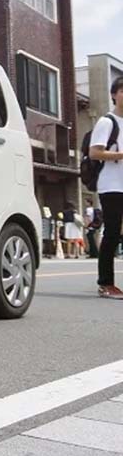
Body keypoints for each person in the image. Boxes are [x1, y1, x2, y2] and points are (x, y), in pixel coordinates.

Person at [88, 76, 123, 298]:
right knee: (111, 233)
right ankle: (105, 283)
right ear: (114, 94)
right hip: (111, 186)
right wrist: (121, 155)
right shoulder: (107, 122)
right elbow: (95, 152)